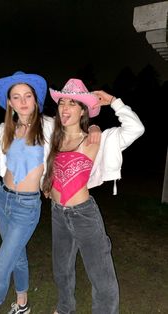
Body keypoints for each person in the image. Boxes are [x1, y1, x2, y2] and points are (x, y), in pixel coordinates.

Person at [0, 71, 100, 314]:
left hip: (27, 206)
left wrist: (94, 124)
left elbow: (75, 126)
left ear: (35, 99)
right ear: (10, 103)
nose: (23, 101)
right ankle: (22, 303)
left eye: (27, 96)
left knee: (1, 267)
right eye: (16, 97)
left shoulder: (49, 126)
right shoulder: (5, 130)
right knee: (17, 255)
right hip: (2, 198)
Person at [42, 78, 145, 314]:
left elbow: (136, 129)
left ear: (83, 110)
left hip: (84, 214)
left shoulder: (97, 138)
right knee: (61, 270)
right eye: (62, 102)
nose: (65, 108)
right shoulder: (54, 136)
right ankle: (64, 308)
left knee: (101, 275)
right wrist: (45, 183)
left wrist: (114, 102)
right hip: (58, 213)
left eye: (73, 103)